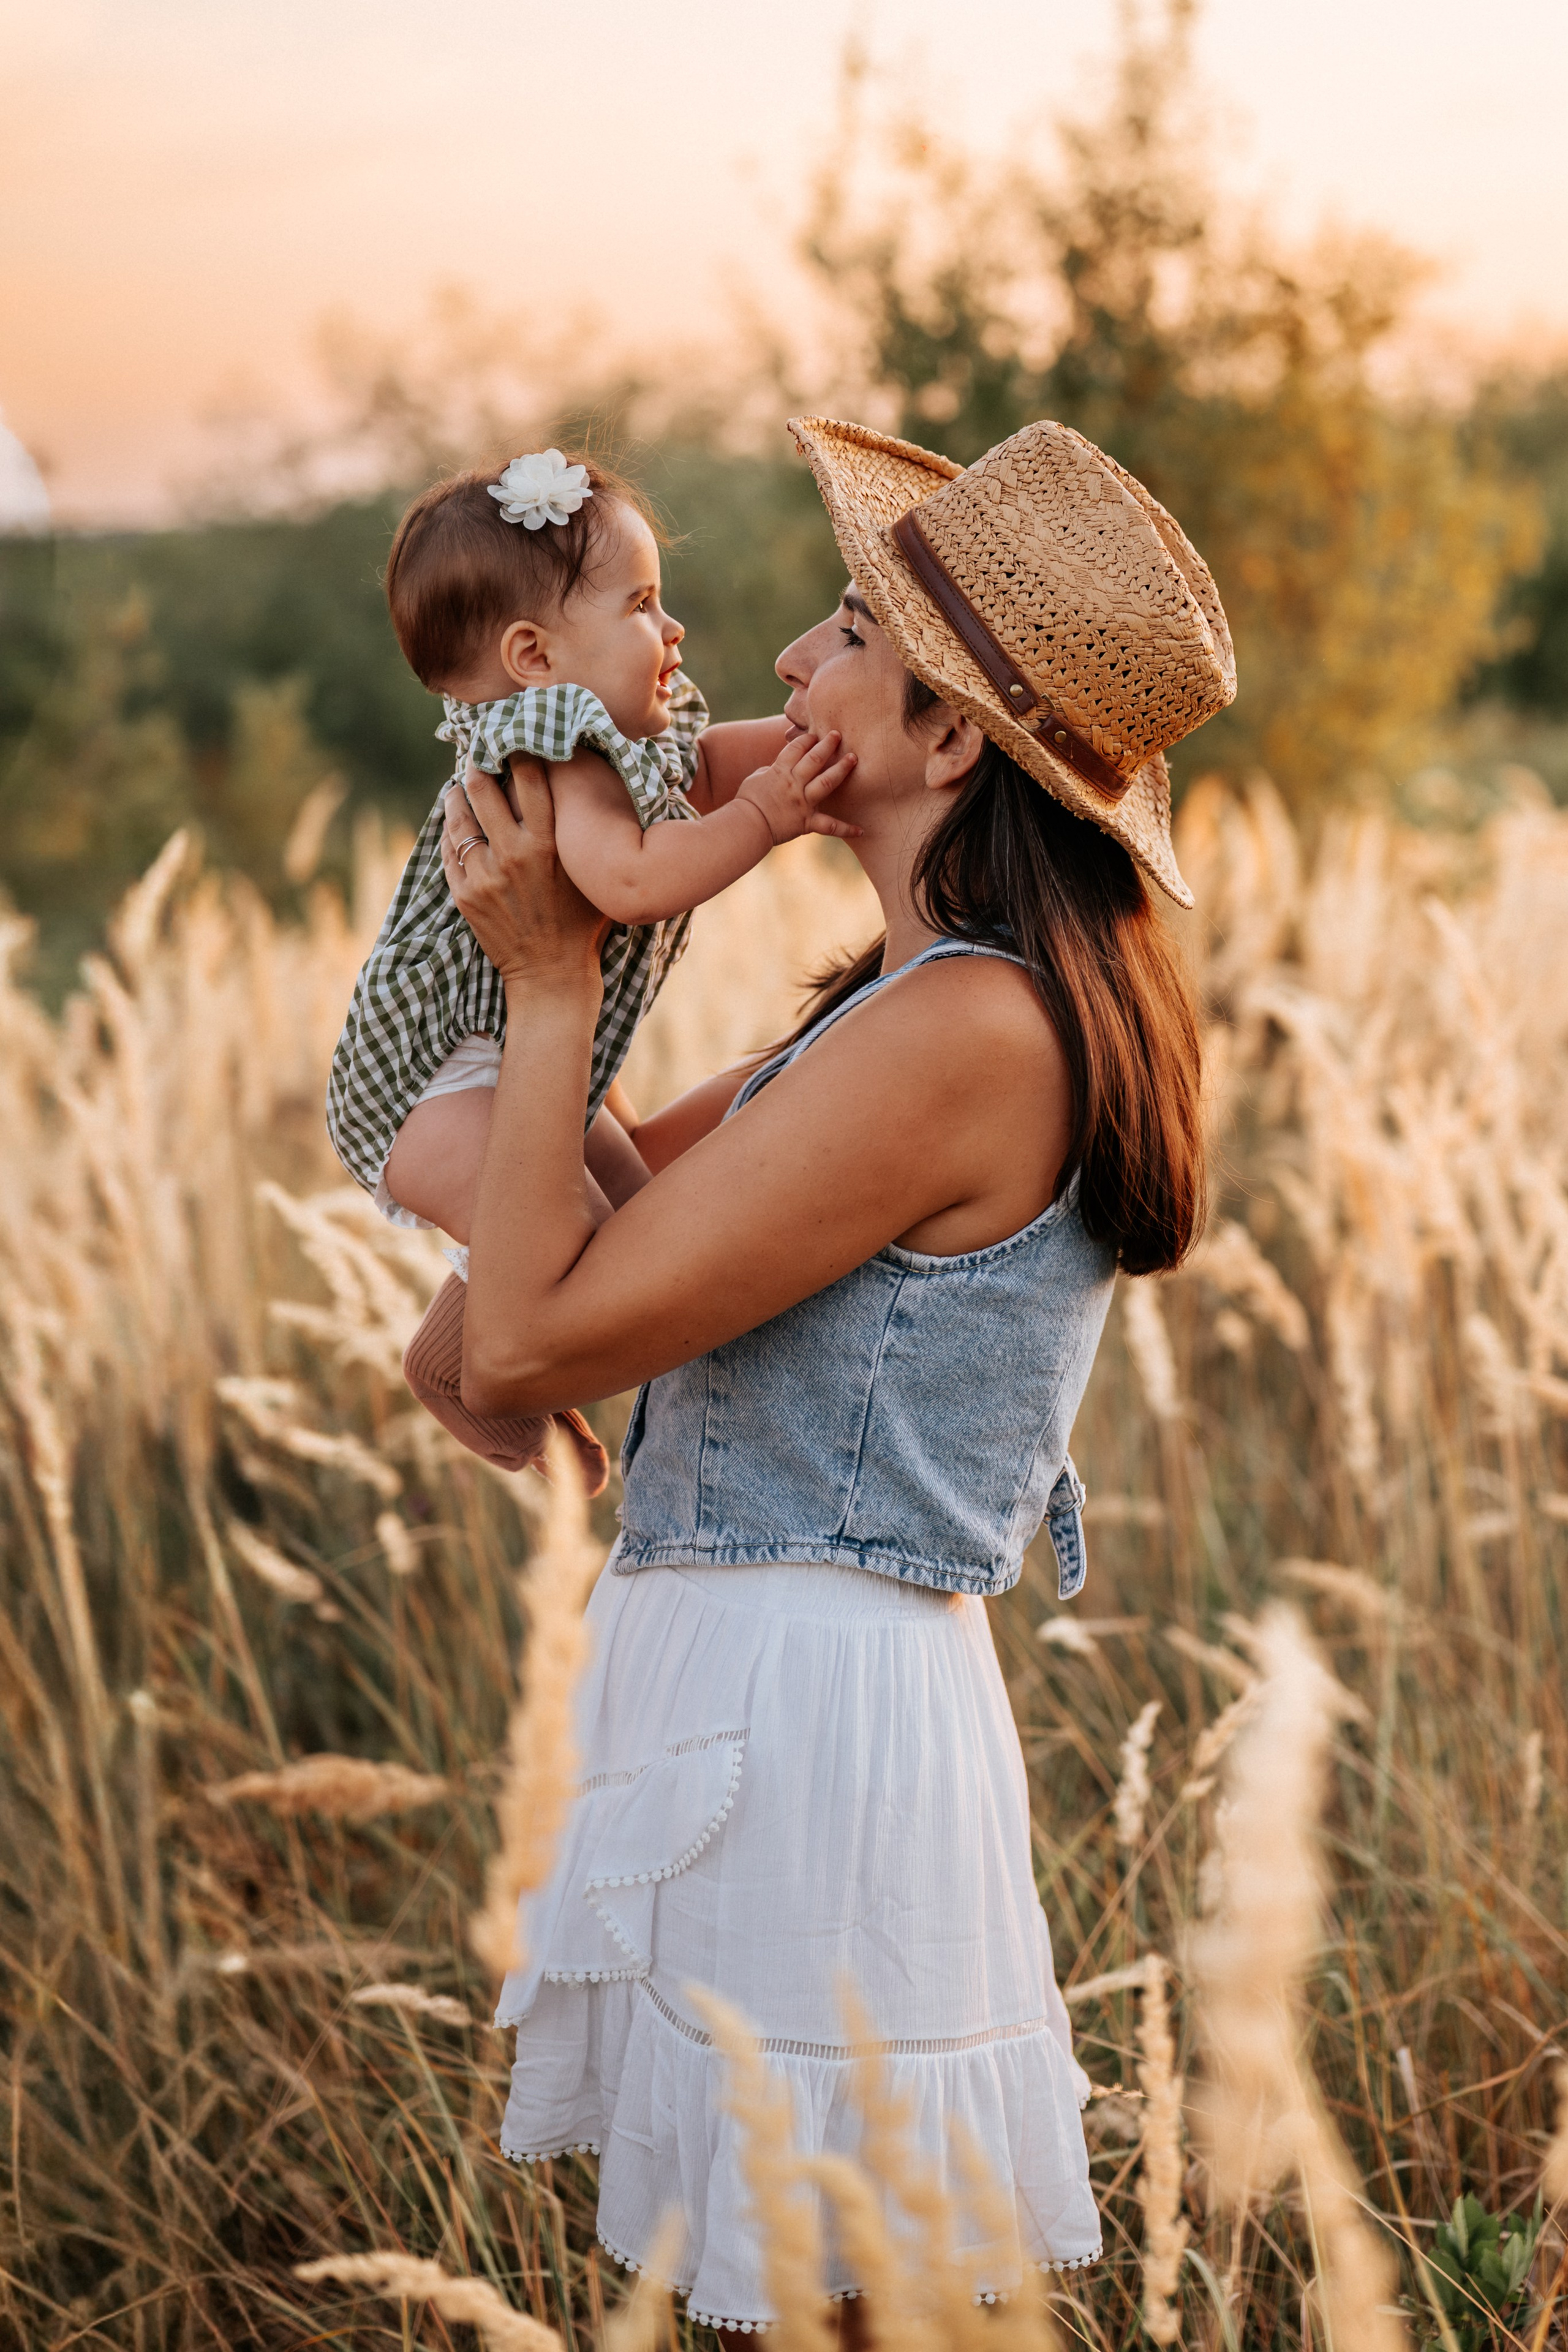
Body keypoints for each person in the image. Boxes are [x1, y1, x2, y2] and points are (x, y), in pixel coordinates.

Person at [438, 414, 1235, 2338]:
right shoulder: (894, 1012)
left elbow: (531, 1337)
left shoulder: (964, 1029)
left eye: (850, 631)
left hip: (811, 1711)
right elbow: (498, 1307)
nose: (785, 659)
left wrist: (552, 991)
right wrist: (565, 946)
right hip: (760, 1685)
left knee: (828, 2308)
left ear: (951, 739)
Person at [325, 447, 857, 1485]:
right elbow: (630, 880)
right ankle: (482, 1369)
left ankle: (470, 1339)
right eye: (644, 605)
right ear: (533, 656)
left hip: (517, 1046)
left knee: (642, 1211)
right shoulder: (552, 746)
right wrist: (768, 817)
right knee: (580, 1247)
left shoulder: (620, 734)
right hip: (429, 1080)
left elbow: (701, 769)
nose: (674, 630)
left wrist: (813, 749)